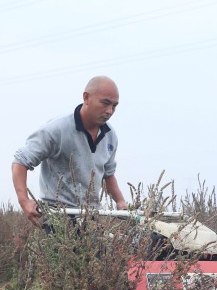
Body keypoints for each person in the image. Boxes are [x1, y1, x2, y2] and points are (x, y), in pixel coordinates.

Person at [12, 76, 129, 224]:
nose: (109, 111)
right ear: (86, 97)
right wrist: (24, 201)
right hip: (58, 216)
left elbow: (108, 173)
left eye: (114, 106)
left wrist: (120, 201)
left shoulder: (110, 136)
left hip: (91, 217)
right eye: (105, 103)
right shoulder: (57, 129)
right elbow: (20, 161)